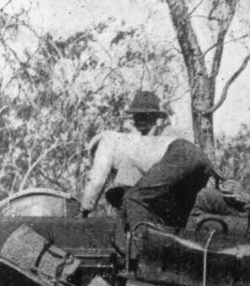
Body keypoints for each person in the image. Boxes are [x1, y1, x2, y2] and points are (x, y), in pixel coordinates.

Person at [80, 90, 216, 229]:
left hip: (183, 166)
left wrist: (84, 210)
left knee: (134, 198)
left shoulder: (107, 142)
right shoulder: (133, 144)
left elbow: (97, 180)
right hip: (186, 173)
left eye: (146, 116)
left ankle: (140, 241)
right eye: (138, 116)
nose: (141, 120)